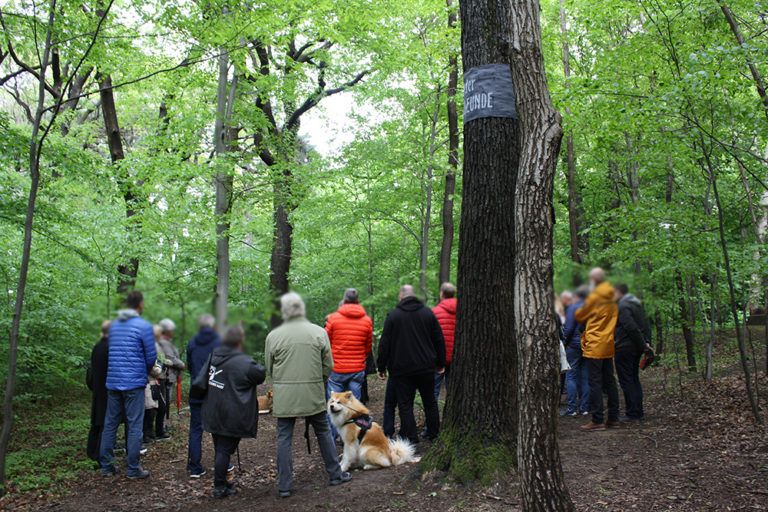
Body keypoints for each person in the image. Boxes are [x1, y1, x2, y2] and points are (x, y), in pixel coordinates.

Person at [265, 293, 351, 498]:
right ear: (301, 309)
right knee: (322, 431)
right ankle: (334, 474)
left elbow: (269, 368)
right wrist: (318, 380)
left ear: (285, 311)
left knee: (284, 437)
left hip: (285, 395)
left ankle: (284, 485)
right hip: (313, 393)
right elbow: (328, 366)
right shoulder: (318, 333)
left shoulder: (274, 336)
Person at [202, 324, 266, 499]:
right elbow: (260, 374)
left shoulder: (214, 355)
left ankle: (225, 481)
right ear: (239, 341)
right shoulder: (243, 361)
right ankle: (219, 486)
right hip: (231, 413)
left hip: (213, 410)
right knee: (223, 449)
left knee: (220, 448)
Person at [377, 285, 445, 445]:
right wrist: (440, 363)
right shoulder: (428, 313)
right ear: (414, 296)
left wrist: (381, 366)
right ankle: (434, 435)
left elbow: (384, 343)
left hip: (402, 369)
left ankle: (412, 439)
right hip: (426, 366)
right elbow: (439, 339)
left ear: (401, 297)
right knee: (430, 401)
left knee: (405, 404)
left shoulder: (394, 316)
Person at [100, 290, 156, 479]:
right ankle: (132, 468)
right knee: (134, 425)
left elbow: (111, 351)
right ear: (140, 304)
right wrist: (144, 371)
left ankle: (106, 466)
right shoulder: (144, 326)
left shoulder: (114, 326)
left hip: (114, 382)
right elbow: (151, 356)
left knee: (110, 423)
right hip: (133, 382)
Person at [575, 269, 620, 432]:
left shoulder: (595, 297)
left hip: (595, 344)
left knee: (594, 381)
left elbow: (580, 315)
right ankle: (613, 417)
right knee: (609, 380)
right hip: (608, 343)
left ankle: (597, 419)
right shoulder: (612, 298)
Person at [324, 288, 373, 440]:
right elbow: (367, 346)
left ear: (344, 300)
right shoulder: (366, 320)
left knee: (333, 405)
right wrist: (359, 357)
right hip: (357, 368)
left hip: (337, 368)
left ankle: (332, 441)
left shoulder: (333, 318)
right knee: (354, 406)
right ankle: (354, 439)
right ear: (357, 301)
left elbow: (326, 342)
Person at [186, 313, 221, 478]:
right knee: (218, 428)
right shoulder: (218, 342)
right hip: (214, 391)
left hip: (197, 390)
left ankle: (194, 466)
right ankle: (223, 463)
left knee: (195, 429)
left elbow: (190, 366)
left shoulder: (193, 342)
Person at [614, 284, 652, 422]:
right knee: (633, 379)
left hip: (625, 347)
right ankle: (637, 410)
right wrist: (647, 343)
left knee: (627, 380)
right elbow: (646, 325)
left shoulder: (623, 306)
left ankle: (633, 412)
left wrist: (644, 345)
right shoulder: (636, 304)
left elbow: (631, 327)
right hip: (634, 347)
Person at [561, 287, 590, 416]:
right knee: (584, 376)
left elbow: (569, 328)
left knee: (571, 376)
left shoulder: (573, 309)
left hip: (573, 346)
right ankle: (584, 407)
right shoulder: (590, 309)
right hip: (587, 346)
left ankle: (572, 408)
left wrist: (564, 343)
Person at [87, 320, 112, 467]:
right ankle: (99, 455)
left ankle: (92, 452)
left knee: (97, 422)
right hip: (106, 389)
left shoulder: (98, 346)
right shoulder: (108, 347)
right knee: (104, 423)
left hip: (98, 388)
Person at [157, 318, 185, 438]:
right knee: (164, 403)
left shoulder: (165, 341)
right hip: (167, 376)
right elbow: (171, 358)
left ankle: (162, 425)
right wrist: (181, 364)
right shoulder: (164, 342)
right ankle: (161, 427)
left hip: (169, 376)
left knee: (165, 403)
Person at [432, 282, 457, 402]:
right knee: (453, 391)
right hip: (455, 357)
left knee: (433, 392)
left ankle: (431, 421)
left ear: (442, 294)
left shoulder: (434, 312)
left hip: (438, 358)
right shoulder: (462, 310)